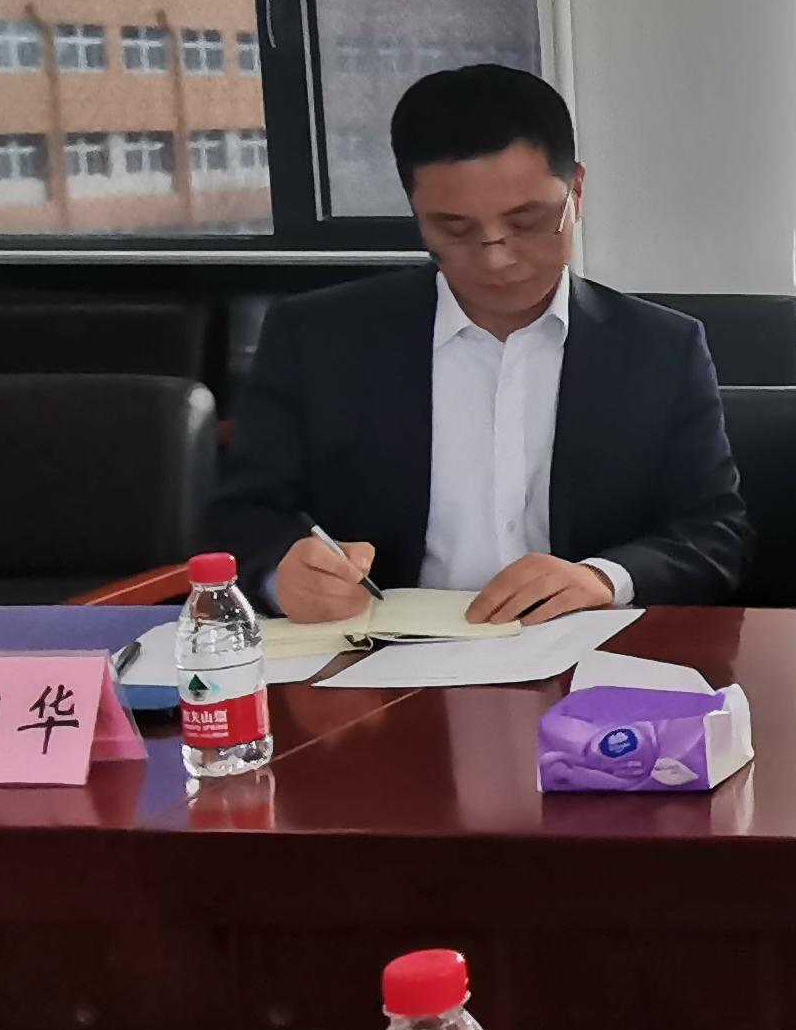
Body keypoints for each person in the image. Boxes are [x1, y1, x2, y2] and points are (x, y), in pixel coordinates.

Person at [208, 64, 751, 624]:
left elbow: (714, 534)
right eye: (456, 229)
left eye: (528, 221)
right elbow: (242, 514)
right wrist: (282, 576)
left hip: (583, 652)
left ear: (577, 190)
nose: (497, 257)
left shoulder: (662, 348)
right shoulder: (318, 337)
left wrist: (601, 579)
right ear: (416, 212)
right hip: (378, 655)